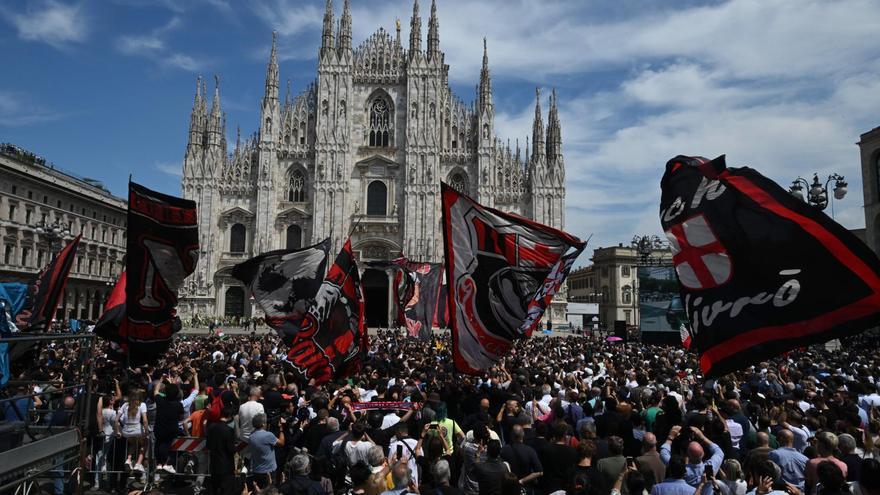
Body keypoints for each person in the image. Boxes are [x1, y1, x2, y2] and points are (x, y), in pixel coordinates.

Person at [500, 424, 543, 493]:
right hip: (526, 487)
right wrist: (522, 481)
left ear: (511, 436)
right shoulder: (530, 450)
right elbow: (539, 472)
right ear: (523, 435)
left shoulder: (503, 450)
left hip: (509, 487)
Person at [207, 405, 238, 495]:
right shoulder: (228, 430)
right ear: (229, 416)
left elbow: (208, 445)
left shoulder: (211, 427)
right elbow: (231, 449)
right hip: (226, 465)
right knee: (226, 490)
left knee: (215, 489)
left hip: (214, 464)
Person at [249, 413, 285, 489]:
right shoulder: (268, 435)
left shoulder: (251, 436)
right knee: (270, 491)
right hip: (269, 471)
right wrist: (281, 429)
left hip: (257, 470)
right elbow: (281, 443)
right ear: (262, 424)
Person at [118, 389, 148, 472]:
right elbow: (145, 420)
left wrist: (118, 431)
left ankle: (128, 460)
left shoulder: (125, 405)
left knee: (133, 444)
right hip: (137, 430)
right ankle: (138, 464)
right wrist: (146, 431)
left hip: (126, 431)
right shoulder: (142, 405)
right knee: (144, 444)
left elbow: (116, 419)